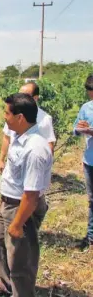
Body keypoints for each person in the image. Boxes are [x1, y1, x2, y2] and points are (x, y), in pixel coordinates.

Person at [0, 93, 53, 297]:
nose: (4, 117)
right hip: (8, 204)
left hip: (20, 208)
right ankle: (7, 285)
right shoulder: (18, 136)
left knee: (21, 261)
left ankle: (21, 293)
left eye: (7, 113)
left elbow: (31, 195)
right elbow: (13, 175)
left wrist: (17, 223)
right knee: (1, 247)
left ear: (20, 117)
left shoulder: (34, 149)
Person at [0, 82, 56, 173]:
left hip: (32, 167)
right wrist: (1, 160)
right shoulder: (12, 114)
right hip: (13, 164)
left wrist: (46, 169)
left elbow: (49, 145)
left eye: (24, 96)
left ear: (35, 98)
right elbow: (7, 137)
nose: (19, 98)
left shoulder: (45, 119)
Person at [73, 74, 93, 251]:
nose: (90, 95)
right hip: (90, 160)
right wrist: (80, 128)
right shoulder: (86, 108)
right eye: (89, 91)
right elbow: (76, 129)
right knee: (92, 200)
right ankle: (91, 236)